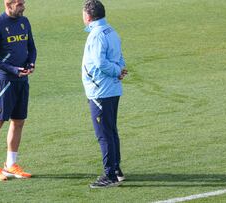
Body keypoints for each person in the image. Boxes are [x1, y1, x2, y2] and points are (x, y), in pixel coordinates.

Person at [0, 0, 36, 181]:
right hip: (4, 81)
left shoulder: (25, 22)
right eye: (20, 4)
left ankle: (11, 164)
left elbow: (31, 47)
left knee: (19, 121)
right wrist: (13, 69)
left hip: (22, 80)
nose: (24, 6)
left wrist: (30, 63)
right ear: (9, 4)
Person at [81, 0, 128, 188]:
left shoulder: (97, 35)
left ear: (89, 16)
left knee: (104, 134)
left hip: (101, 90)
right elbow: (119, 56)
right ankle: (116, 169)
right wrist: (120, 69)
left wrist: (117, 71)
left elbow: (100, 63)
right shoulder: (111, 31)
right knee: (111, 130)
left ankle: (110, 175)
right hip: (111, 88)